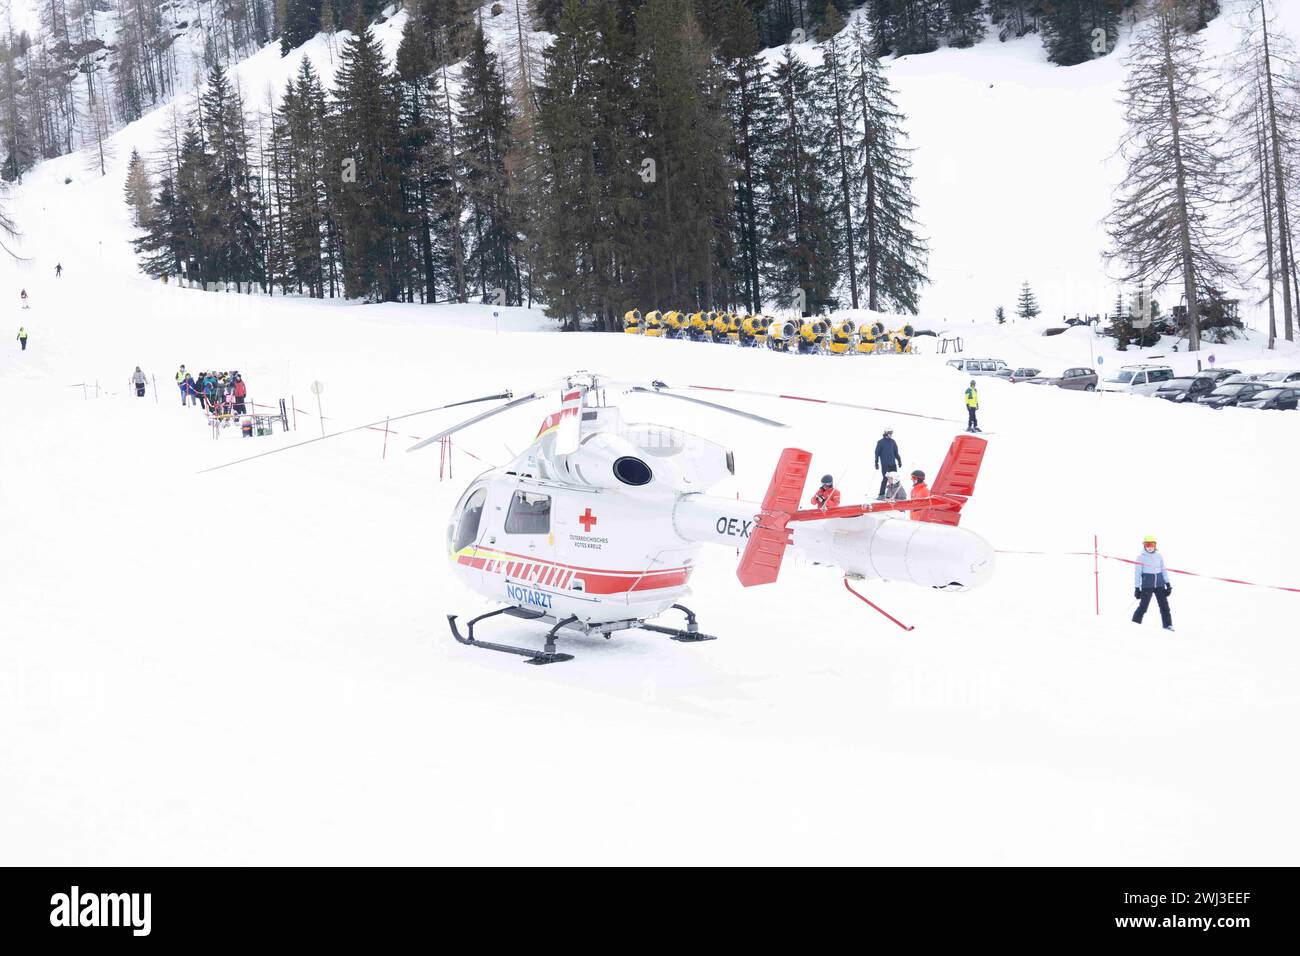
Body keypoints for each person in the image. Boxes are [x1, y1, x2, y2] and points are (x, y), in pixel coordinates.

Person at [1132, 535, 1174, 631]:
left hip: (1160, 585)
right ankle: (1134, 624)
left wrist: (1168, 584)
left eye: (1152, 544)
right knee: (1143, 607)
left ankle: (1168, 625)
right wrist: (1137, 588)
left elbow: (1163, 570)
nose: (1150, 547)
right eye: (1147, 544)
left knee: (1164, 607)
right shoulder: (1140, 557)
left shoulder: (1159, 556)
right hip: (1147, 586)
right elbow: (1137, 573)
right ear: (1144, 545)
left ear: (1155, 545)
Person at [874, 426, 902, 499]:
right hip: (885, 464)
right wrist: (876, 463)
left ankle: (894, 494)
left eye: (891, 433)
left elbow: (896, 453)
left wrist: (899, 460)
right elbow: (877, 453)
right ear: (885, 433)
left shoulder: (893, 442)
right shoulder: (880, 442)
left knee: (895, 479)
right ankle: (881, 495)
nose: (890, 434)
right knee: (885, 478)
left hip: (893, 464)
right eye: (889, 433)